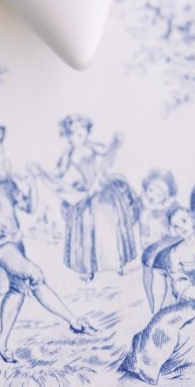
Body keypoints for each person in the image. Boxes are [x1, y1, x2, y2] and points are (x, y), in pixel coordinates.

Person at [0, 127, 90, 364]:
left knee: (18, 289)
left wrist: (32, 184)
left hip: (13, 242)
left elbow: (29, 207)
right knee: (34, 274)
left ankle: (1, 344)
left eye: (2, 153)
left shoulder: (6, 183)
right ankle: (74, 321)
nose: (3, 159)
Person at [120, 206, 195, 382]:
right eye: (176, 226)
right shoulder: (175, 253)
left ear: (193, 221)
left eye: (184, 221)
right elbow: (183, 289)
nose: (181, 227)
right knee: (163, 327)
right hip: (188, 305)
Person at [34, 115, 138, 280]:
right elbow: (58, 173)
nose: (80, 133)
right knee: (86, 233)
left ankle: (116, 262)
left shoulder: (92, 146)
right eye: (75, 131)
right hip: (83, 194)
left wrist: (115, 141)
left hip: (102, 190)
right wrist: (41, 173)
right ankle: (89, 268)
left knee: (107, 229)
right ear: (68, 136)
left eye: (82, 129)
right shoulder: (67, 154)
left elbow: (106, 151)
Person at [138, 170, 179, 311]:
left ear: (165, 197)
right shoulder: (143, 203)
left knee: (168, 278)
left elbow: (179, 221)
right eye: (151, 190)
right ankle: (154, 307)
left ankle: (170, 307)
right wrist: (143, 237)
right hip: (149, 248)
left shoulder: (168, 207)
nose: (152, 196)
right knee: (151, 278)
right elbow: (143, 223)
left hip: (165, 247)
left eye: (159, 194)